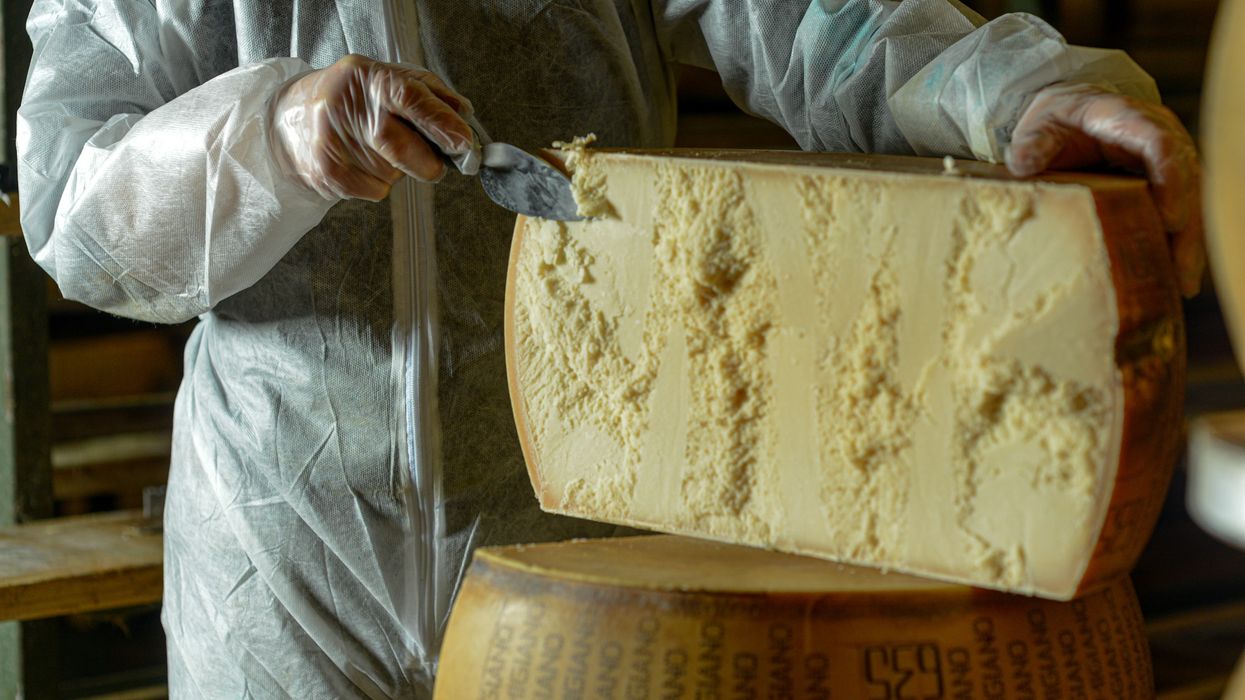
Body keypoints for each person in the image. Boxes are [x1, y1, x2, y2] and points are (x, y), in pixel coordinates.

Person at [17, 0, 1202, 696]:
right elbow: (78, 212)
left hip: (579, 546)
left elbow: (821, 22)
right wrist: (270, 136)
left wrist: (1014, 91)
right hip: (280, 562)